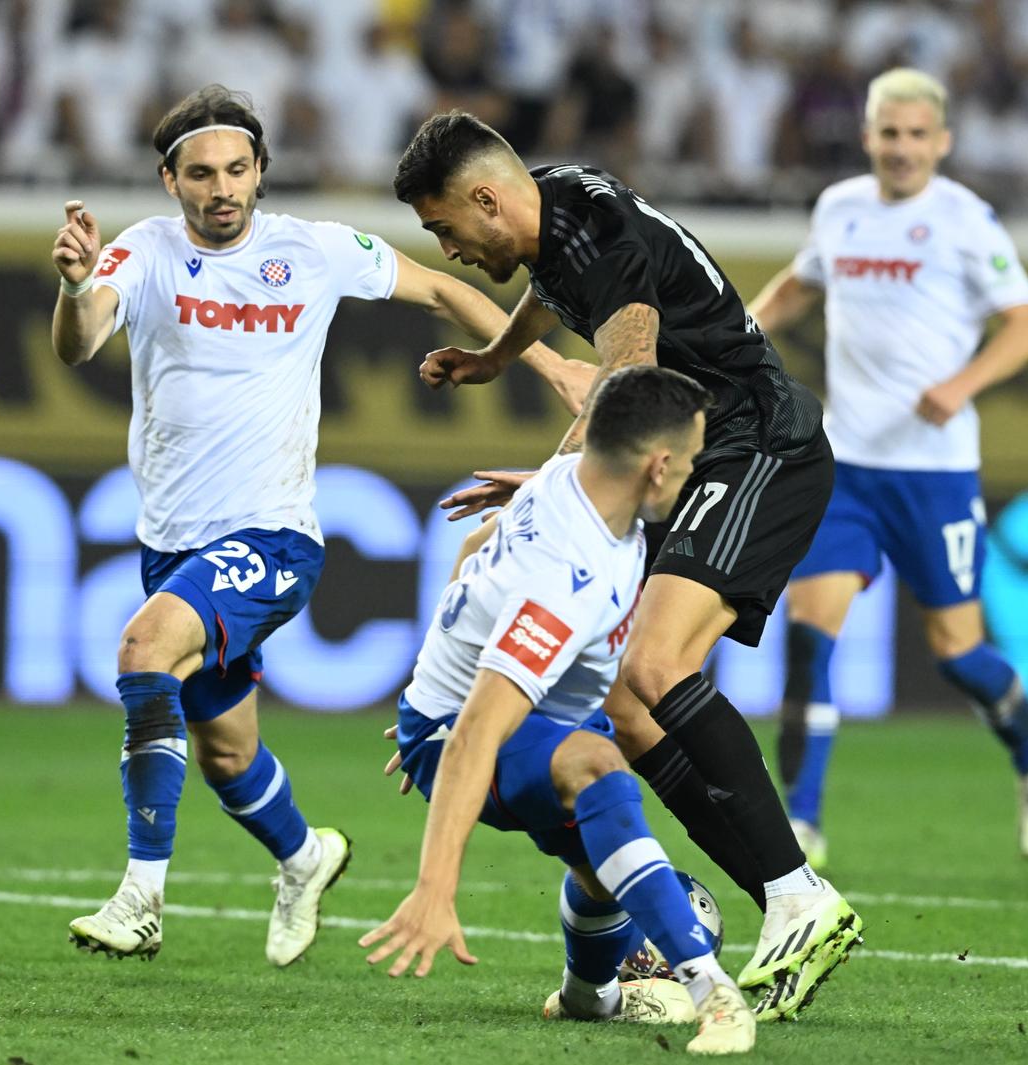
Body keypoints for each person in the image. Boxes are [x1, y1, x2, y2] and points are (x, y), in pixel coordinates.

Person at [49, 84, 592, 966]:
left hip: (273, 537)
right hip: (173, 541)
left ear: (261, 170)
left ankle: (141, 896)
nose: (221, 188)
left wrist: (551, 367)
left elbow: (446, 289)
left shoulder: (314, 251)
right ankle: (305, 857)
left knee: (146, 647)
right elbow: (79, 342)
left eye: (236, 169)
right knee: (228, 757)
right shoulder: (139, 252)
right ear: (169, 180)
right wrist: (75, 287)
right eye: (200, 174)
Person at [391, 111, 862, 1021]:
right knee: (624, 707)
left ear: (487, 198)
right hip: (687, 458)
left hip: (754, 443)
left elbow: (630, 389)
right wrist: (496, 358)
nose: (448, 250)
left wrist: (552, 484)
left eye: (446, 227)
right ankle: (786, 901)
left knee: (653, 665)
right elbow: (555, 291)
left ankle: (800, 894)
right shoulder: (555, 200)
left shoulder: (598, 240)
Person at [361, 365, 754, 1056]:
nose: (692, 476)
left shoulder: (569, 480)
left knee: (602, 857)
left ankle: (588, 993)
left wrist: (434, 684)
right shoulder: (569, 576)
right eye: (690, 462)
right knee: (600, 768)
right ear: (658, 467)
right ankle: (712, 991)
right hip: (475, 731)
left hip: (510, 715)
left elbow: (471, 550)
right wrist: (434, 889)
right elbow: (481, 727)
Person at [747, 68, 1028, 866]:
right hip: (846, 464)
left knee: (958, 652)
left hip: (935, 471)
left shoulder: (966, 221)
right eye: (890, 134)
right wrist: (736, 333)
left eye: (918, 135)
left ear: (943, 142)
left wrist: (961, 385)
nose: (902, 149)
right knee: (809, 636)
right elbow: (799, 283)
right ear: (868, 137)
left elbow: (1027, 329)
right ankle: (805, 822)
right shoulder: (840, 208)